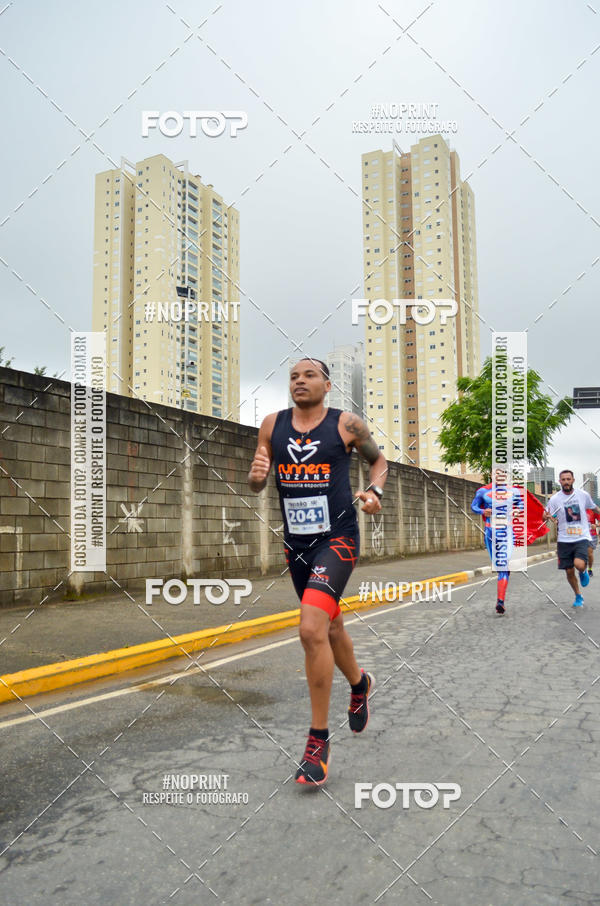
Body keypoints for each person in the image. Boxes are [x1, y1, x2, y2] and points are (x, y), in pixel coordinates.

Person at [248, 357, 388, 786]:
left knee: (310, 628)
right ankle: (360, 683)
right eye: (293, 376)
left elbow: (378, 463)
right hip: (297, 543)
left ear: (327, 385)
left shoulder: (347, 425)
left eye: (309, 375)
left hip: (338, 538)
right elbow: (257, 480)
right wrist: (256, 475)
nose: (299, 381)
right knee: (329, 627)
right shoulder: (272, 425)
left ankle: (317, 740)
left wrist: (374, 491)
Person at [471, 470, 525, 615]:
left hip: (507, 533)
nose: (499, 477)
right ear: (492, 476)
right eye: (496, 474)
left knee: (503, 564)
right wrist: (483, 512)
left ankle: (500, 601)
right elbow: (474, 506)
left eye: (502, 474)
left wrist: (517, 511)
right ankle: (500, 599)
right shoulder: (483, 491)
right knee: (502, 567)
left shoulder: (513, 491)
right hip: (490, 533)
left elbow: (520, 504)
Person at [544, 470, 600, 607]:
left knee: (579, 564)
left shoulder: (583, 495)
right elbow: (546, 515)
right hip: (564, 539)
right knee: (569, 571)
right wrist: (546, 516)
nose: (566, 482)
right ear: (560, 481)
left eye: (568, 479)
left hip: (581, 536)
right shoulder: (555, 499)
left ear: (573, 480)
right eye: (563, 479)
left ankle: (583, 571)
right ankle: (578, 596)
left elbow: (594, 508)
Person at [587, 506, 600, 577]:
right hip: (580, 534)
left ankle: (589, 569)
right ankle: (582, 569)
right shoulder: (577, 509)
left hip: (591, 535)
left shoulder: (593, 509)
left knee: (589, 553)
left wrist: (596, 525)